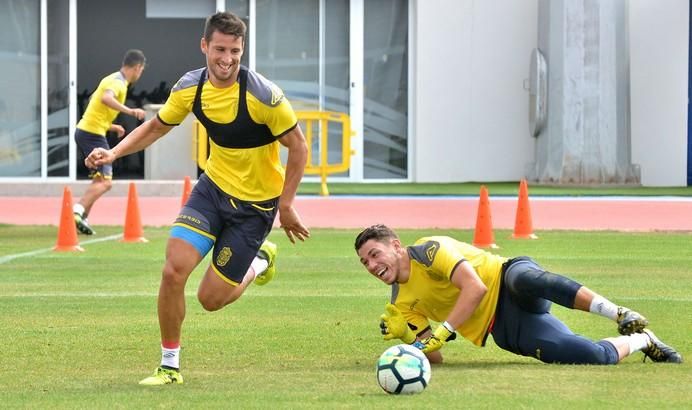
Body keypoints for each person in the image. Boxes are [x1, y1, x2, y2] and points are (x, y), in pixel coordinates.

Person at [85, 11, 310, 385]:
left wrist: (285, 206)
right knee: (173, 270)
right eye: (220, 49)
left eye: (235, 51)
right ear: (204, 45)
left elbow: (298, 147)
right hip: (212, 190)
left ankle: (259, 260)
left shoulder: (264, 96)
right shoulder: (190, 86)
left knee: (211, 299)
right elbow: (156, 127)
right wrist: (112, 153)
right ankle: (169, 365)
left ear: (243, 50)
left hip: (255, 208)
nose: (227, 59)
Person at [355, 224, 683, 365]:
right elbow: (435, 358)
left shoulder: (429, 249)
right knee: (588, 356)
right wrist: (409, 340)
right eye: (364, 261)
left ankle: (618, 313)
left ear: (396, 246)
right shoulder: (399, 304)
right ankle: (644, 339)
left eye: (374, 254)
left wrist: (445, 329)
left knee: (526, 279)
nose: (370, 265)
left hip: (505, 277)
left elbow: (476, 287)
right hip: (503, 326)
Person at [73, 49, 147, 235]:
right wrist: (131, 112)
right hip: (92, 135)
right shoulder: (118, 83)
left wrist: (111, 126)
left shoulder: (111, 78)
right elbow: (105, 99)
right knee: (105, 182)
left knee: (100, 179)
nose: (140, 73)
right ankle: (77, 210)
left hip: (88, 131)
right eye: (142, 70)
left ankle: (82, 218)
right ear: (137, 67)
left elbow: (94, 100)